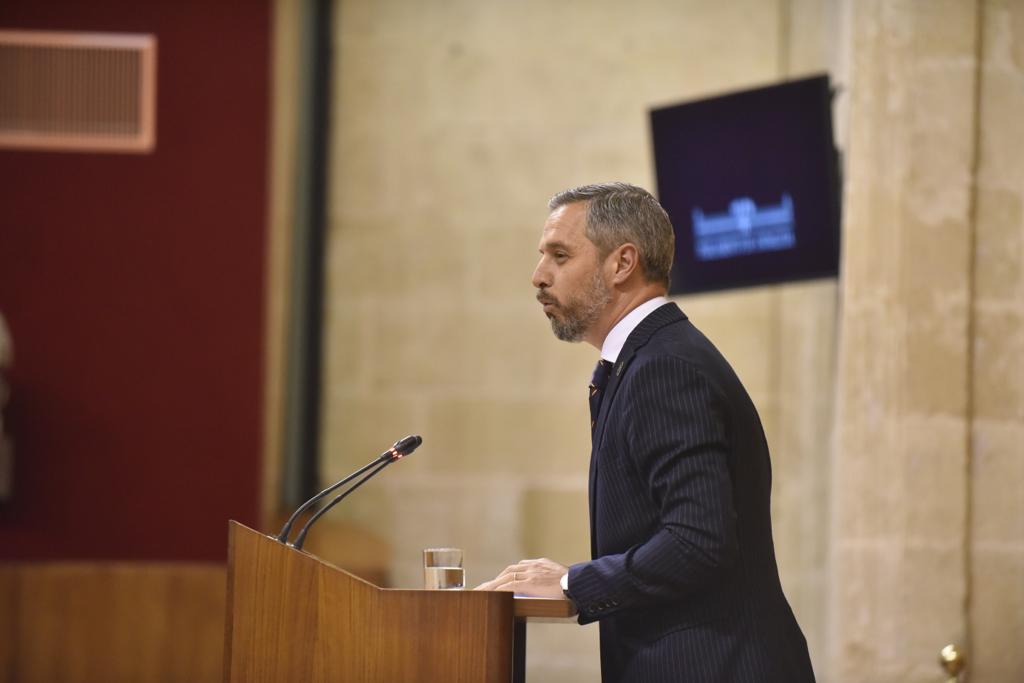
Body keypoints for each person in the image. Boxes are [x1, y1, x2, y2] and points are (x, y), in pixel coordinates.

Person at [476, 183, 815, 682]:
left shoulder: (663, 367)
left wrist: (572, 584)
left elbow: (698, 540)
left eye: (560, 256)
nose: (539, 275)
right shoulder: (647, 360)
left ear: (622, 263)